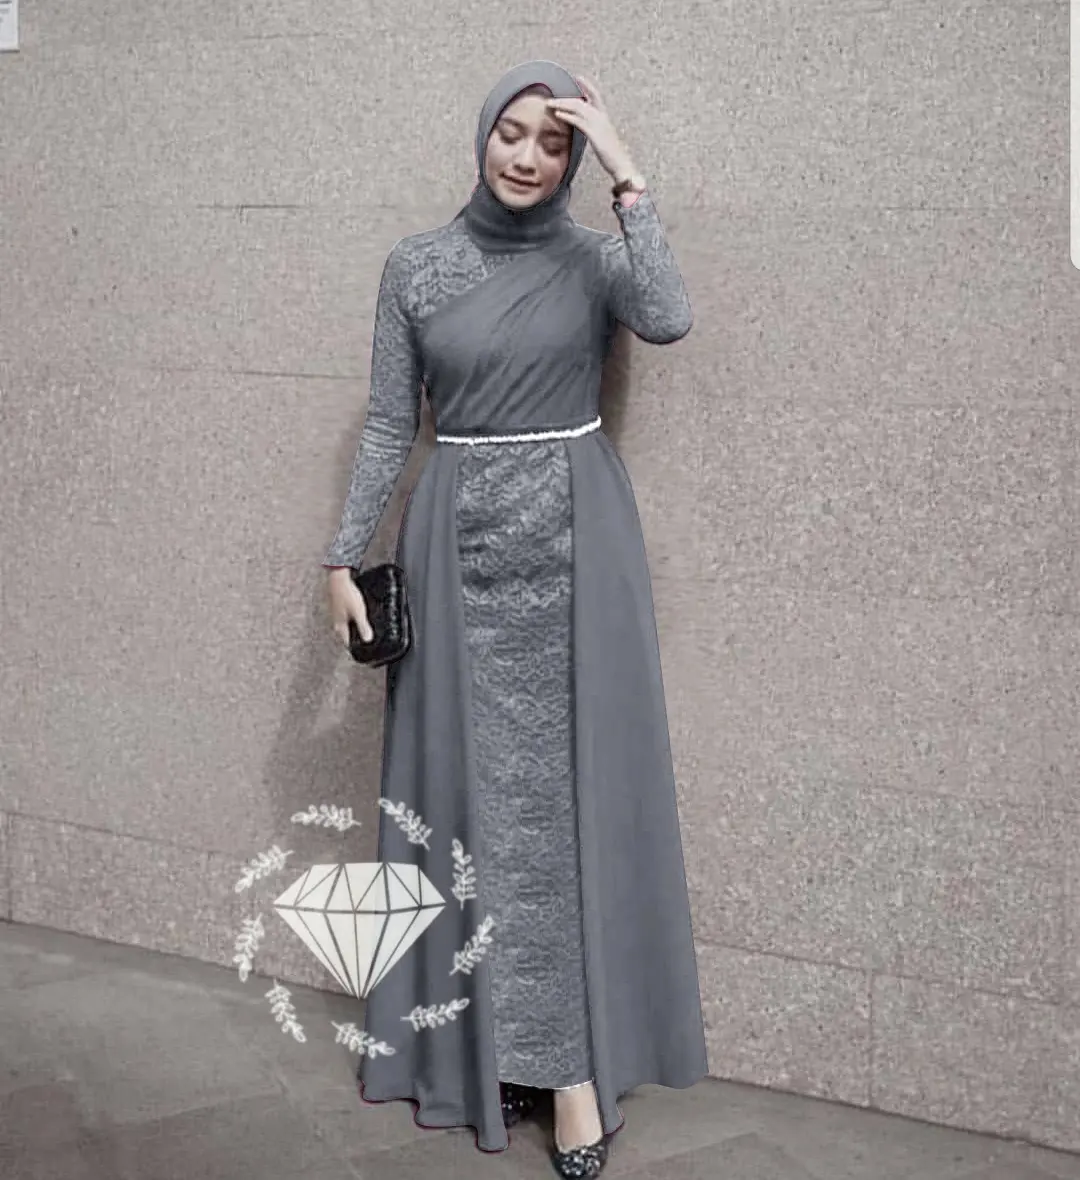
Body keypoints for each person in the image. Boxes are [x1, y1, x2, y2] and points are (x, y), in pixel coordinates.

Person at [323, 59, 708, 1179]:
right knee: (466, 805)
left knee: (560, 810)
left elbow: (670, 316)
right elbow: (390, 423)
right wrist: (342, 553)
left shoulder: (595, 260)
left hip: (579, 554)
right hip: (454, 554)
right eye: (512, 132)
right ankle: (486, 1042)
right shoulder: (416, 265)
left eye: (554, 141)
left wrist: (629, 173)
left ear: (575, 156)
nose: (528, 157)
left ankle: (571, 1072)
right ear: (482, 133)